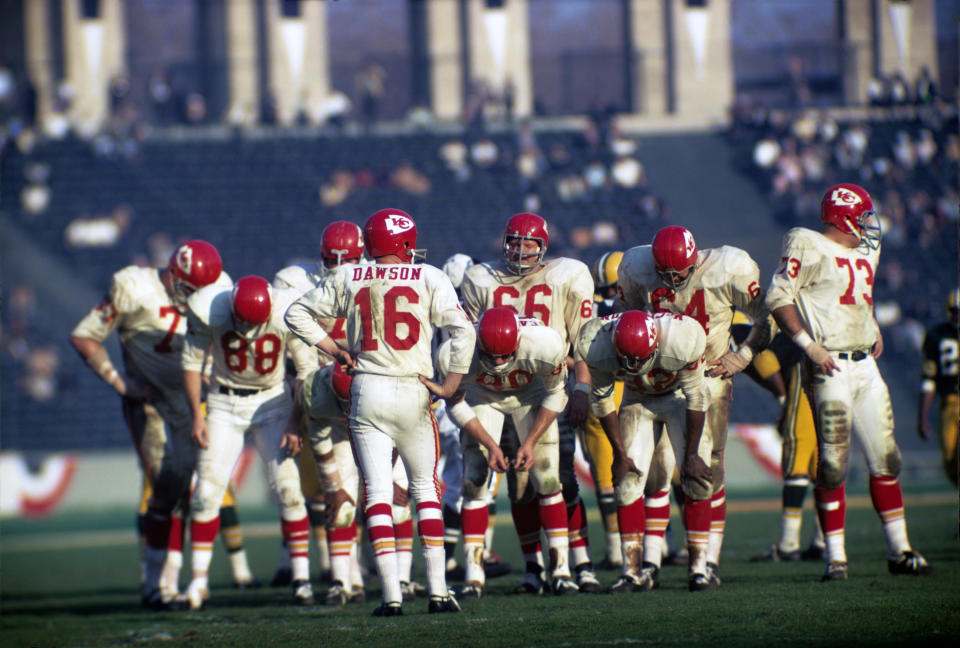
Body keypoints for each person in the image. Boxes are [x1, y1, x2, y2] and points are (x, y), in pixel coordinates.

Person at [285, 208, 472, 616]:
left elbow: (294, 313)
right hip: (412, 387)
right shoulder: (429, 276)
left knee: (378, 495)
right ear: (404, 242)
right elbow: (463, 331)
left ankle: (390, 597)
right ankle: (439, 592)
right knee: (424, 490)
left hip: (366, 388)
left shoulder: (347, 276)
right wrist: (453, 382)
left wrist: (333, 350)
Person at [766, 182, 933, 581]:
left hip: (865, 366)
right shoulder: (805, 243)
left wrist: (872, 324)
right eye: (861, 216)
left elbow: (857, 298)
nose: (867, 224)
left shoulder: (865, 251)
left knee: (886, 459)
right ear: (843, 217)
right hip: (830, 367)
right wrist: (809, 346)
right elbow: (778, 297)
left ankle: (901, 550)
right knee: (833, 465)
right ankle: (835, 558)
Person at [69, 239, 239, 610]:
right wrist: (119, 382)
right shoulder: (133, 287)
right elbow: (84, 337)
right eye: (192, 290)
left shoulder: (218, 287)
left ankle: (173, 583)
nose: (197, 297)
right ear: (175, 276)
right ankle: (156, 584)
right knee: (167, 489)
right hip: (152, 405)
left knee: (198, 489)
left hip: (194, 403)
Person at [617, 225, 772, 587]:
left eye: (679, 273)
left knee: (707, 469)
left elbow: (768, 315)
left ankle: (707, 560)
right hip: (659, 378)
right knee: (655, 470)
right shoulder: (637, 267)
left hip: (709, 373)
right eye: (664, 274)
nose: (671, 281)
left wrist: (743, 356)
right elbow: (624, 315)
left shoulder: (727, 268)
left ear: (695, 259)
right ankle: (649, 563)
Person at [459, 212, 597, 594]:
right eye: (515, 243)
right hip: (494, 388)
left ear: (543, 246)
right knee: (518, 485)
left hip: (544, 386)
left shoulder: (567, 275)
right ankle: (534, 568)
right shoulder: (480, 278)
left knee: (559, 479)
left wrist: (582, 386)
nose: (520, 251)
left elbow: (582, 337)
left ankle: (578, 563)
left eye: (529, 244)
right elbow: (469, 340)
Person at [182, 275, 319, 609]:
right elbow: (190, 363)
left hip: (273, 403)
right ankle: (199, 583)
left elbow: (305, 372)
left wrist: (293, 422)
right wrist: (196, 415)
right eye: (240, 321)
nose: (246, 329)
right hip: (223, 404)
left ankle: (301, 578)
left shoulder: (288, 311)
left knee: (288, 490)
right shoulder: (210, 308)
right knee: (206, 494)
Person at [425, 307, 572, 598]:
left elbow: (558, 393)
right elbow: (454, 403)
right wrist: (491, 446)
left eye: (505, 355)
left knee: (547, 478)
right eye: (491, 355)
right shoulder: (454, 351)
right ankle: (474, 575)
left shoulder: (544, 345)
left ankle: (561, 571)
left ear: (518, 343)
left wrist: (529, 441)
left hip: (530, 395)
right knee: (475, 480)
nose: (498, 362)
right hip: (482, 397)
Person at [576, 310, 713, 592]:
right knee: (627, 483)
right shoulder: (596, 342)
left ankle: (699, 569)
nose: (633, 364)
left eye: (639, 358)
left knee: (697, 483)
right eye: (626, 358)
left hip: (677, 398)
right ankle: (632, 570)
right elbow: (602, 402)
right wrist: (619, 454)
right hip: (637, 399)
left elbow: (696, 397)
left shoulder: (682, 339)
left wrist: (691, 454)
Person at [272, 220, 365, 588]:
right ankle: (338, 570)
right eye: (333, 260)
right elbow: (296, 359)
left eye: (350, 260)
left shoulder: (377, 280)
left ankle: (368, 571)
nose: (341, 268)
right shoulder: (293, 283)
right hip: (312, 389)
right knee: (323, 486)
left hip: (364, 388)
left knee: (377, 488)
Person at [734, 320, 825, 562]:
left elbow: (766, 362)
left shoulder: (736, 333)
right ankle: (822, 540)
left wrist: (784, 404)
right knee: (820, 463)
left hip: (801, 373)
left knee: (796, 455)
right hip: (818, 372)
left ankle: (788, 544)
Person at [582, 251, 625, 568]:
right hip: (629, 391)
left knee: (608, 479)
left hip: (603, 391)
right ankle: (649, 545)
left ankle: (617, 549)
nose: (608, 296)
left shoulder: (590, 308)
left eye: (612, 289)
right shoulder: (642, 303)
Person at [918, 288, 959, 488]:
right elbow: (929, 378)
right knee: (950, 462)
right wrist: (923, 415)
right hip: (948, 403)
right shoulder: (936, 335)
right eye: (955, 310)